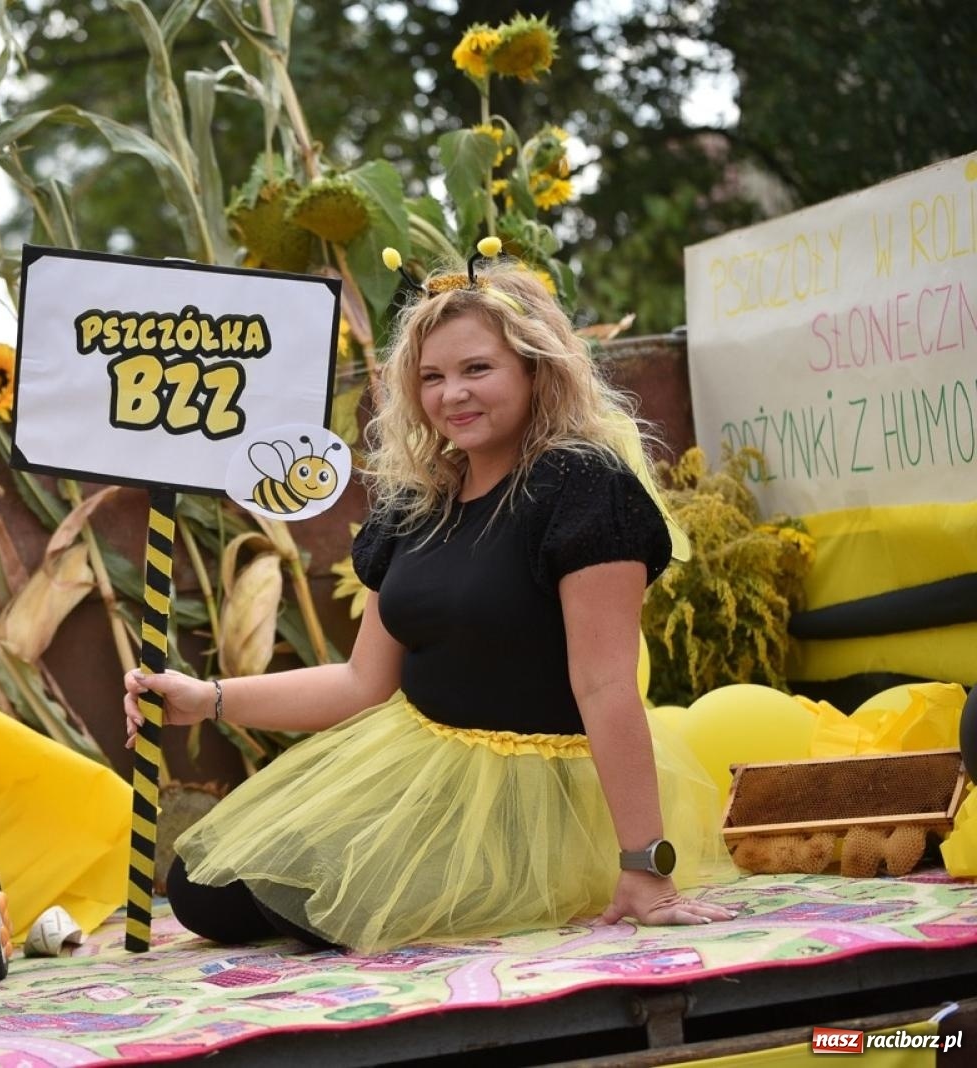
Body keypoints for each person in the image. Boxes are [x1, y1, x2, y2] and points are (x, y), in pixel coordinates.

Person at [123, 244, 738, 954]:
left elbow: (605, 688)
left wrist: (645, 867)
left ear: (537, 369)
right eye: (433, 377)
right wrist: (209, 696)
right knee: (203, 887)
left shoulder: (582, 489)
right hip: (420, 768)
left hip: (532, 799)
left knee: (315, 906)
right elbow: (360, 684)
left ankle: (501, 882)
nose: (453, 395)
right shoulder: (418, 505)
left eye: (478, 368)